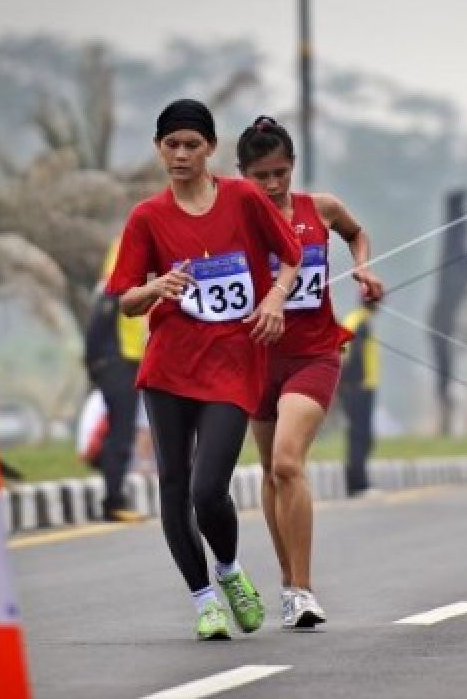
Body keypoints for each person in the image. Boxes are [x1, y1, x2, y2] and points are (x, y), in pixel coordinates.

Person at [105, 99, 302, 641]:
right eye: (172, 145)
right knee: (173, 487)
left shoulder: (241, 199)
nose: (182, 154)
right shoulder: (147, 217)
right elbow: (125, 299)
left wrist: (275, 301)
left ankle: (231, 571)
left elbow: (291, 256)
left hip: (232, 366)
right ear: (158, 149)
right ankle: (204, 601)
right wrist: (156, 286)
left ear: (211, 148)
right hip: (169, 369)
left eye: (192, 144)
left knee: (208, 488)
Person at [236, 115, 383, 629]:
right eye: (261, 175)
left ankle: (304, 588)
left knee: (287, 462)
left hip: (314, 353)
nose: (274, 184)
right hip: (256, 357)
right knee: (271, 473)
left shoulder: (319, 209)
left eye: (281, 172)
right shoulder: (233, 217)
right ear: (242, 175)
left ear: (292, 166)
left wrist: (362, 266)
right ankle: (286, 582)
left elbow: (356, 233)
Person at [82, 237, 150, 523]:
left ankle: (114, 497)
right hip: (118, 364)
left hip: (128, 362)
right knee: (120, 434)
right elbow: (97, 330)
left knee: (121, 432)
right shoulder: (113, 293)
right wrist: (97, 365)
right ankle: (113, 502)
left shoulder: (125, 290)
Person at [340, 297, 381, 496]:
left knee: (364, 436)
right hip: (357, 388)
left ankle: (358, 482)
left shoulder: (361, 320)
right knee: (359, 436)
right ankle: (358, 484)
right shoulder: (358, 322)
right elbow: (347, 357)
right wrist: (352, 383)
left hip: (363, 388)